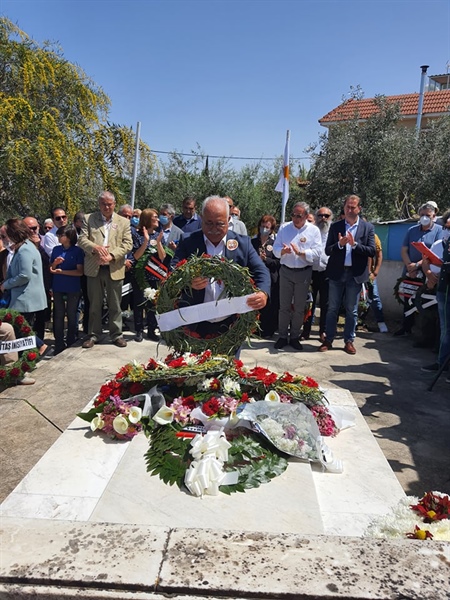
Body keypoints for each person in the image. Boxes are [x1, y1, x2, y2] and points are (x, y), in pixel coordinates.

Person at [171, 196, 270, 345]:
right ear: (201, 218)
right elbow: (173, 270)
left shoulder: (243, 243)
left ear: (229, 220)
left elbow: (261, 270)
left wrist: (263, 293)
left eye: (220, 224)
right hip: (194, 320)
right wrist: (188, 281)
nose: (213, 229)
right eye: (209, 223)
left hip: (231, 322)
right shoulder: (188, 241)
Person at [319, 194, 376, 355]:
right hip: (337, 273)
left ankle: (349, 340)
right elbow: (327, 250)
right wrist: (339, 244)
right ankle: (328, 339)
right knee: (332, 308)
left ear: (359, 209)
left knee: (352, 310)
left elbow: (371, 251)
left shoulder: (367, 228)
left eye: (353, 207)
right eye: (347, 207)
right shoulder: (336, 226)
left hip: (355, 274)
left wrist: (354, 244)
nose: (350, 210)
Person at [78, 191, 133, 348]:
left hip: (114, 267)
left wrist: (111, 256)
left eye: (109, 204)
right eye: (103, 204)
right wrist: (95, 248)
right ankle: (93, 335)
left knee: (115, 304)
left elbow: (127, 244)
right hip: (94, 267)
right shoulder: (89, 218)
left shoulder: (123, 222)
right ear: (99, 204)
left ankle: (116, 335)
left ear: (114, 204)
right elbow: (82, 239)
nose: (106, 207)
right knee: (94, 304)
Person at [272, 202, 322, 351]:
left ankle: (294, 336)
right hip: (286, 271)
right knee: (284, 306)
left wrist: (302, 253)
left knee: (299, 308)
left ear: (306, 216)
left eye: (299, 216)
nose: (295, 218)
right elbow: (275, 249)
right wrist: (283, 251)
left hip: (303, 272)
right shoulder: (284, 228)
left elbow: (318, 252)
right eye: (293, 215)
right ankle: (282, 336)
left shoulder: (313, 230)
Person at [0, 218, 51, 358]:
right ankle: (33, 352)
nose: (3, 239)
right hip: (22, 297)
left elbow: (24, 275)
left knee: (20, 329)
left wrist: (5, 285)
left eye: (4, 235)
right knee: (22, 329)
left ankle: (40, 347)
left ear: (13, 233)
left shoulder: (25, 250)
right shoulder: (22, 248)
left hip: (26, 298)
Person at [395, 202, 443, 337]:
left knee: (425, 302)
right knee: (408, 299)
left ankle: (425, 334)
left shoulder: (439, 231)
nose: (424, 217)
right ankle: (406, 327)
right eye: (422, 215)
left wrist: (417, 265)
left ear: (434, 216)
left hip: (427, 272)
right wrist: (410, 266)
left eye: (428, 215)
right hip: (410, 271)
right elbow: (404, 250)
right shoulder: (412, 230)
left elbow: (433, 253)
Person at [421, 209, 450, 378]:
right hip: (443, 290)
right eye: (446, 226)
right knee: (445, 328)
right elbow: (428, 262)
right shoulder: (441, 244)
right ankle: (442, 362)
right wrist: (430, 275)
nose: (447, 230)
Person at [131, 209, 166, 342]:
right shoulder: (136, 234)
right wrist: (145, 241)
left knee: (153, 303)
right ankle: (139, 330)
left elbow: (162, 257)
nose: (158, 219)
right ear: (147, 219)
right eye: (155, 217)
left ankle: (152, 330)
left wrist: (158, 243)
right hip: (140, 275)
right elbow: (136, 256)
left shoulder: (158, 235)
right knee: (139, 302)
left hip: (154, 274)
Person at [50, 225, 84, 355]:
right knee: (58, 315)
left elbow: (79, 272)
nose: (59, 237)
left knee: (71, 314)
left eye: (61, 235)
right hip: (58, 286)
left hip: (72, 287)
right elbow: (51, 268)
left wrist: (62, 272)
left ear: (69, 237)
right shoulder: (56, 249)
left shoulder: (77, 251)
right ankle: (58, 342)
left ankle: (71, 339)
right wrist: (55, 264)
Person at [301, 207, 333, 342]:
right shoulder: (311, 232)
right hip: (311, 272)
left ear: (331, 218)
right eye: (320, 215)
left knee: (326, 304)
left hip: (327, 272)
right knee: (309, 303)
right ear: (316, 217)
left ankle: (323, 331)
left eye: (326, 216)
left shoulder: (333, 232)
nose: (323, 218)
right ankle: (306, 331)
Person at [251, 214, 280, 338]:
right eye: (262, 226)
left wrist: (266, 259)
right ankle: (253, 329)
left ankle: (267, 331)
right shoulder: (252, 242)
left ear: (271, 229)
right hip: (255, 279)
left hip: (271, 279)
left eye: (267, 227)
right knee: (255, 304)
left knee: (269, 305)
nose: (264, 229)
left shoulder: (275, 244)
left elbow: (278, 262)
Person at [366, 226, 388, 333]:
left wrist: (375, 272)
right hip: (355, 274)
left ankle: (381, 322)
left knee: (374, 296)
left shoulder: (374, 237)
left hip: (370, 274)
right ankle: (356, 322)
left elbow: (379, 255)